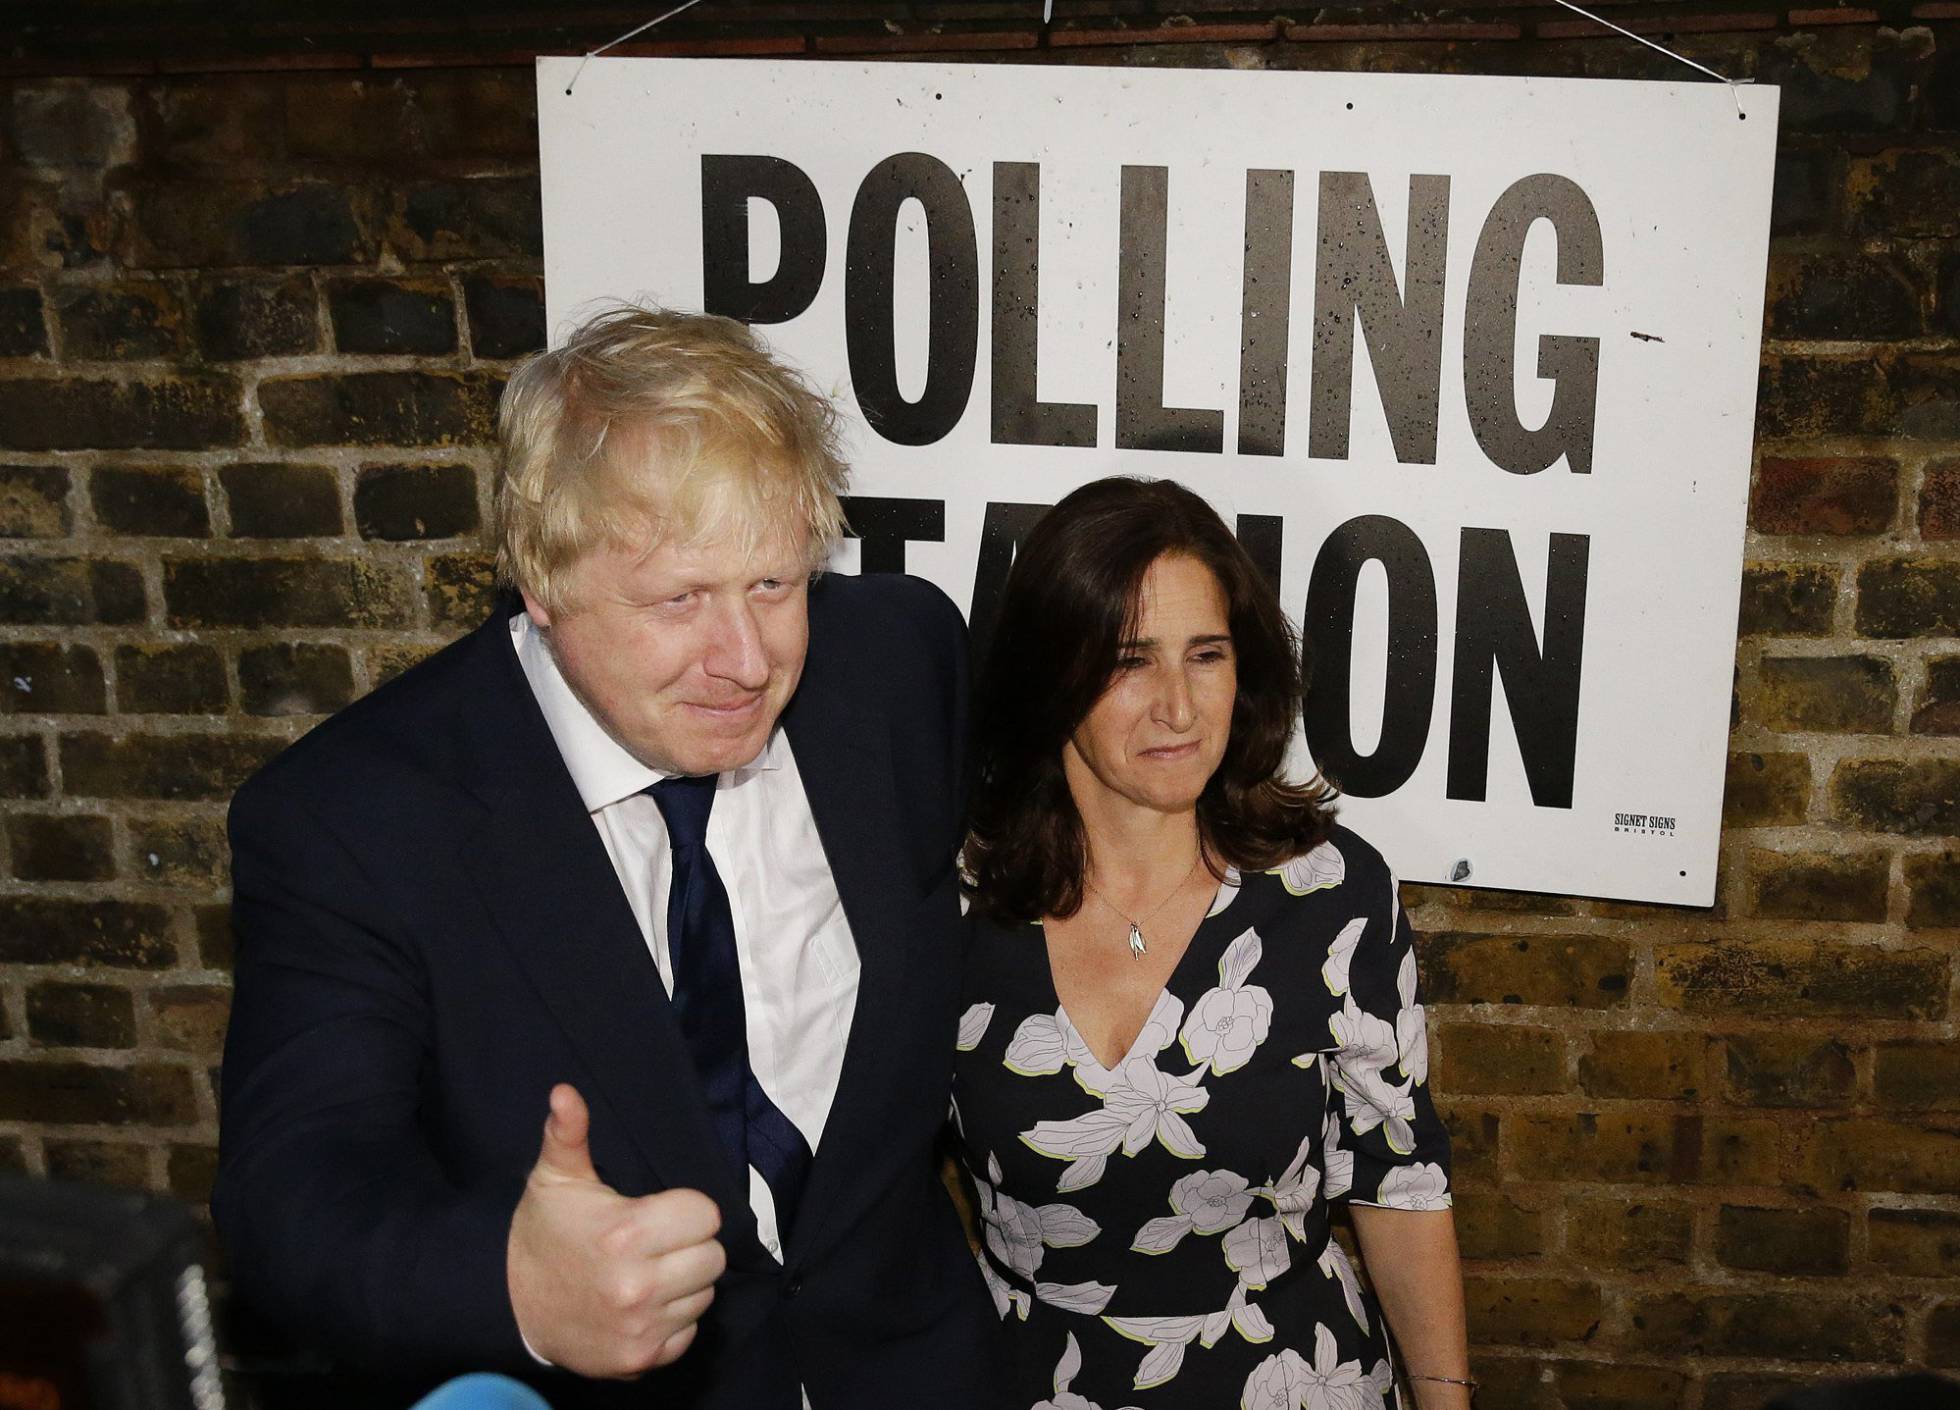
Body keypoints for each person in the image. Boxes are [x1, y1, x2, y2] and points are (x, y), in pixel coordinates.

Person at [215, 306, 1001, 1409]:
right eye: (679, 599)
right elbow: (292, 1193)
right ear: (542, 580)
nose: (747, 660)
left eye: (773, 584)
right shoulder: (357, 821)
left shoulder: (899, 663)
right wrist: (515, 1287)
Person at [952, 477, 1470, 1409]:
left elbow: (1399, 1182)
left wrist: (1446, 1402)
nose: (1180, 708)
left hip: (1296, 1381)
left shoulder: (1332, 896)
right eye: (1129, 661)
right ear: (1051, 674)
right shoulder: (953, 906)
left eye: (1206, 655)